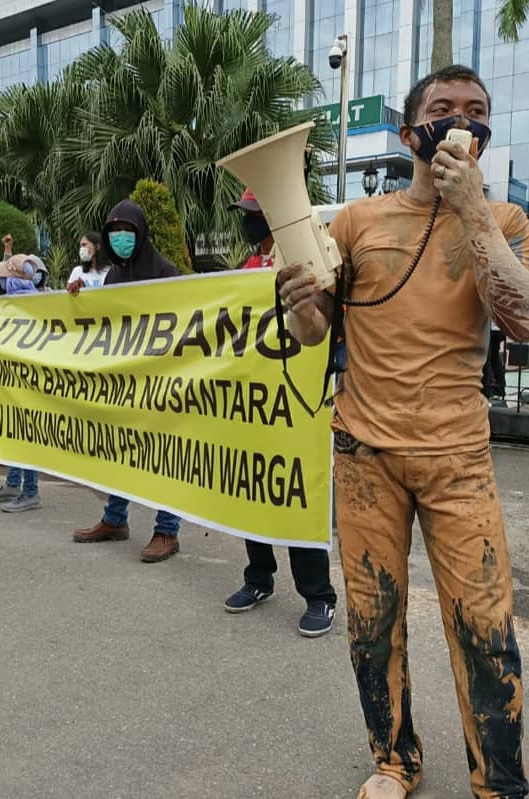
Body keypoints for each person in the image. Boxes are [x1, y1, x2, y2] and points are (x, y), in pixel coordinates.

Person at [278, 65, 529, 799]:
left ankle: (501, 782)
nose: (462, 118)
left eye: (477, 109)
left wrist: (474, 212)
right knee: (371, 621)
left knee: (484, 626)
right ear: (410, 133)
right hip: (365, 454)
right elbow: (310, 332)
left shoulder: (506, 221)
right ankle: (394, 761)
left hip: (458, 455)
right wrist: (299, 298)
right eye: (443, 108)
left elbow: (527, 315)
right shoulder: (358, 222)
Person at [222, 186, 338, 636]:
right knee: (253, 493)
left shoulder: (303, 261)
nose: (248, 221)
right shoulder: (248, 266)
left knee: (295, 493)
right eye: (246, 213)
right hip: (255, 405)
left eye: (254, 213)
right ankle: (258, 577)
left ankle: (319, 595)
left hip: (294, 404)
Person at [71, 199, 184, 563]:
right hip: (125, 383)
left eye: (128, 232)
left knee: (164, 455)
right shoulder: (113, 277)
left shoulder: (165, 272)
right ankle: (115, 520)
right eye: (114, 232)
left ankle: (167, 530)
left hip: (161, 381)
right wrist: (79, 301)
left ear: (141, 233)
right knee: (120, 449)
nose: (121, 238)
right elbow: (105, 321)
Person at [0, 237, 43, 513]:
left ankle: (30, 491)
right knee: (16, 433)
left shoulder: (16, 306)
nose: (1, 282)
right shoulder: (34, 300)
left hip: (24, 380)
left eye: (5, 277)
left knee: (25, 436)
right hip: (16, 377)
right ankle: (13, 482)